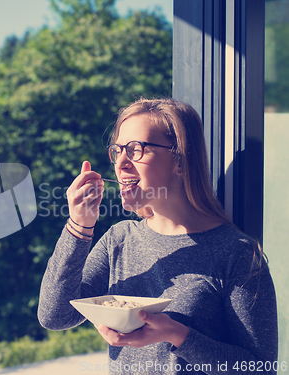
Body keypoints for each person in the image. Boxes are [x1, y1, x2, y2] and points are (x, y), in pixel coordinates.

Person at [37, 98, 278, 374]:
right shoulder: (119, 240)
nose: (122, 163)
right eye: (117, 151)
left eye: (135, 149)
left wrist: (177, 335)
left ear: (180, 160)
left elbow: (262, 369)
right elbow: (54, 316)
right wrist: (79, 226)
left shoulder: (237, 253)